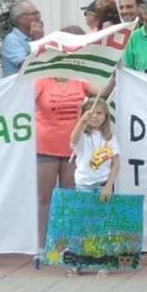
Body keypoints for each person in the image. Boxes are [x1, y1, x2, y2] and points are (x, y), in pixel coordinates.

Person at [34, 26, 97, 266]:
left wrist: (116, 74)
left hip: (73, 146)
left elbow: (101, 93)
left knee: (71, 196)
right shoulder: (40, 81)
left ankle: (70, 245)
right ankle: (41, 246)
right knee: (45, 197)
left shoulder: (78, 80)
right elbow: (20, 103)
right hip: (45, 146)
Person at [68, 97, 121, 277]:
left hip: (102, 184)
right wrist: (82, 120)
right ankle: (77, 261)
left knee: (102, 224)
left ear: (106, 116)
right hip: (83, 184)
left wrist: (109, 185)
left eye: (99, 113)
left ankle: (103, 261)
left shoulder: (110, 137)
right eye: (91, 113)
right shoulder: (82, 135)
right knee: (82, 224)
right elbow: (73, 138)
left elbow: (115, 163)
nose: (95, 117)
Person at [2, 0, 43, 77]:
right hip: (17, 88)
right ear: (19, 19)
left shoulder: (33, 36)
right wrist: (37, 41)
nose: (38, 17)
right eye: (33, 14)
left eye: (37, 13)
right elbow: (28, 67)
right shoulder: (11, 40)